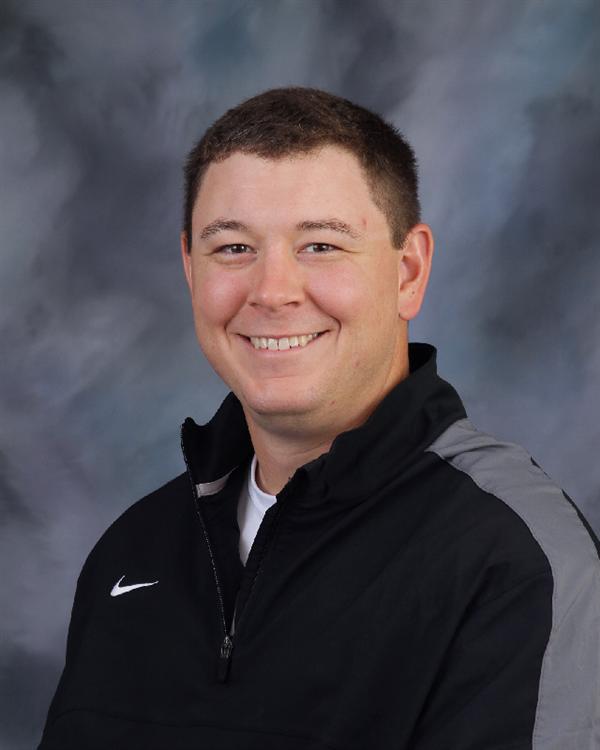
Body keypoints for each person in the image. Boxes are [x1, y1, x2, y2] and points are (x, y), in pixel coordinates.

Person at [39, 87, 600, 750]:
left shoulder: (511, 559)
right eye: (233, 248)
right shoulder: (133, 550)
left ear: (408, 272)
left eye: (321, 246)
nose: (272, 292)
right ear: (190, 269)